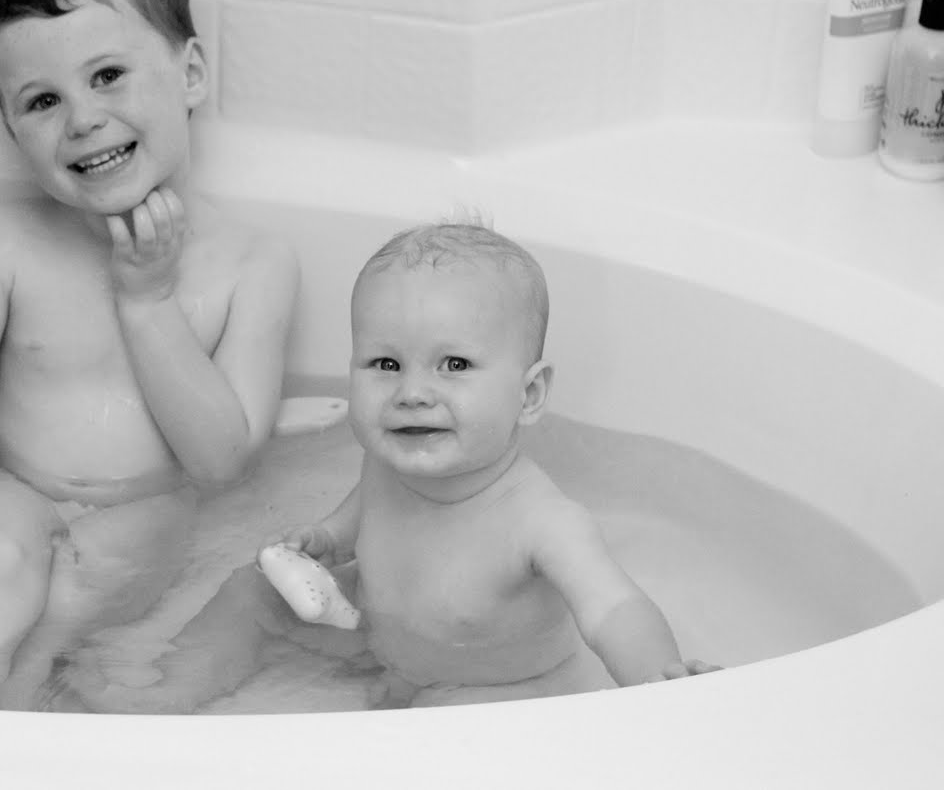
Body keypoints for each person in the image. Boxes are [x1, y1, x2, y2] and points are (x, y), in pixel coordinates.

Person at [0, 0, 301, 709]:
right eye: (43, 100)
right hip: (5, 489)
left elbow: (221, 461)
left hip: (144, 515)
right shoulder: (8, 242)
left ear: (191, 74)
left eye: (108, 75)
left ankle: (22, 694)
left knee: (60, 624)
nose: (83, 118)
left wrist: (147, 302)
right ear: (11, 128)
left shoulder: (254, 264)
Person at [67, 221, 716, 712]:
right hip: (377, 637)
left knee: (440, 742)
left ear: (529, 394)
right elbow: (352, 521)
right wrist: (323, 540)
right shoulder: (385, 468)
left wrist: (658, 681)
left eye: (454, 365)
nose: (412, 392)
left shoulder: (540, 520)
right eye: (386, 363)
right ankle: (169, 693)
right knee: (251, 588)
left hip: (490, 690)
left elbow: (613, 608)